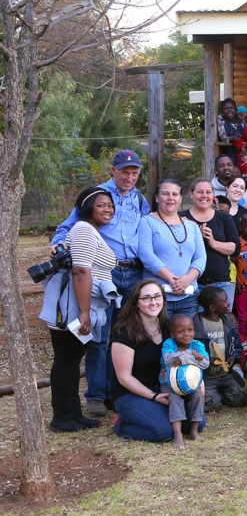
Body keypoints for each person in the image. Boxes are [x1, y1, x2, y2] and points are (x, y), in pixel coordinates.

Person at [52, 149, 149, 417]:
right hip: (103, 273)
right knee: (98, 334)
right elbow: (67, 227)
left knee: (125, 333)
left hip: (134, 273)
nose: (130, 177)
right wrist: (58, 244)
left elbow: (151, 227)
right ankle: (95, 394)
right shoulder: (98, 196)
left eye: (135, 173)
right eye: (125, 172)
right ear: (114, 170)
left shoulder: (139, 200)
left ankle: (116, 391)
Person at [40, 187, 117, 431]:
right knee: (65, 359)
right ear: (86, 207)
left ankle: (73, 413)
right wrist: (84, 313)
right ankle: (62, 416)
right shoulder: (84, 229)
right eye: (101, 205)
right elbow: (81, 270)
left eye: (110, 205)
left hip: (82, 304)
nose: (108, 209)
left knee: (72, 359)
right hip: (73, 306)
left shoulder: (92, 231)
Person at [111, 280, 205, 442]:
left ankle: (155, 413)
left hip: (165, 386)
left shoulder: (170, 328)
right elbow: (123, 377)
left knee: (196, 424)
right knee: (163, 432)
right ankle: (121, 424)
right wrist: (154, 397)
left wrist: (198, 382)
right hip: (130, 393)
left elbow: (187, 357)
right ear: (136, 302)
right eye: (146, 298)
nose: (153, 302)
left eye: (157, 296)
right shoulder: (124, 331)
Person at [139, 179, 206, 318]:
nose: (171, 198)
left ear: (181, 198)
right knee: (159, 338)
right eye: (165, 194)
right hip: (157, 296)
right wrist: (173, 280)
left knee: (185, 339)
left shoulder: (192, 226)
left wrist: (187, 279)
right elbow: (146, 255)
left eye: (175, 194)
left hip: (188, 295)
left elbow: (201, 258)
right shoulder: (147, 222)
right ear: (157, 197)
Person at [180, 179, 240, 311]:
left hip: (219, 284)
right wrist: (193, 233)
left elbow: (235, 249)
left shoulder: (224, 218)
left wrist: (212, 242)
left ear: (213, 195)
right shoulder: (181, 218)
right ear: (191, 194)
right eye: (199, 192)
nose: (204, 196)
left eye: (208, 192)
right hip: (190, 284)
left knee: (218, 328)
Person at [191, 286, 246, 412]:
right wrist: (206, 360)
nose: (229, 303)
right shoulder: (196, 325)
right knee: (211, 405)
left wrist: (233, 356)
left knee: (240, 400)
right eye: (225, 301)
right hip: (208, 376)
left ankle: (222, 392)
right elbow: (191, 350)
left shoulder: (227, 322)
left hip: (225, 374)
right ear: (212, 308)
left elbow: (237, 345)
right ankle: (216, 395)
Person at [159, 314, 209, 449]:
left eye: (190, 330)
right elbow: (168, 359)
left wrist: (184, 358)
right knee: (175, 398)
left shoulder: (197, 345)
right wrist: (191, 355)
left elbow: (205, 363)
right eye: (181, 331)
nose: (186, 334)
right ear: (173, 334)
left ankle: (194, 430)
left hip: (191, 384)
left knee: (198, 396)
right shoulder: (169, 343)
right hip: (169, 384)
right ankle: (178, 434)